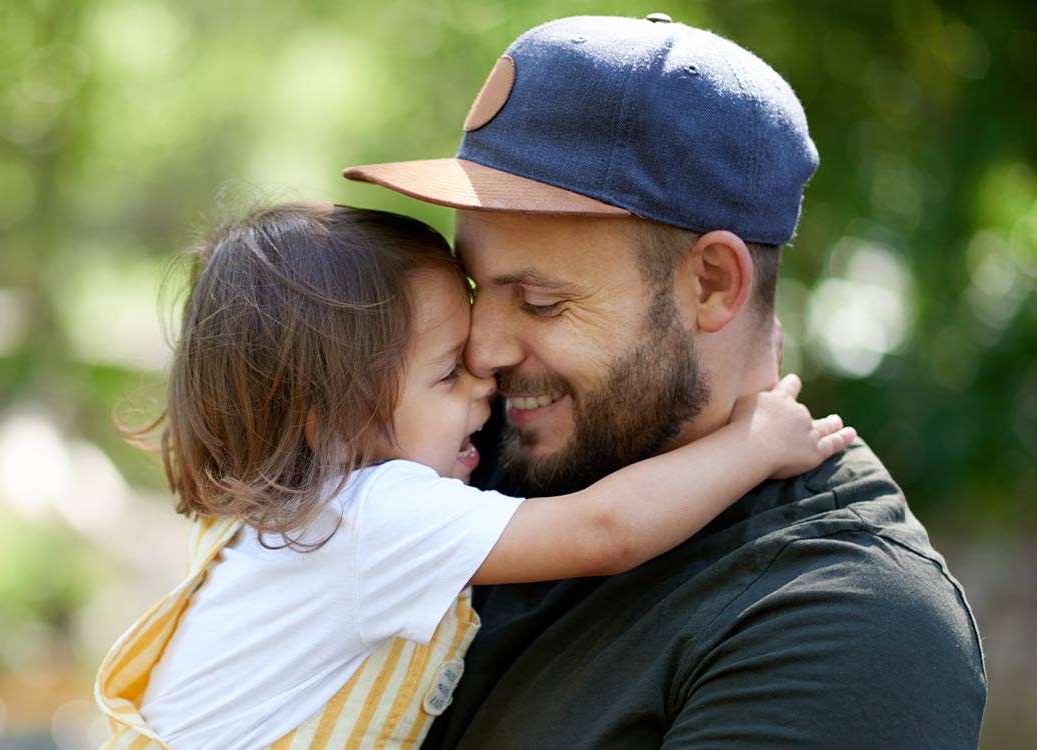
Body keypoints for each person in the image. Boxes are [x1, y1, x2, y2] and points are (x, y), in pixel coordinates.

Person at [341, 13, 987, 749]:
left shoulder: (850, 621)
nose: (481, 352)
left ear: (712, 283)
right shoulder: (456, 451)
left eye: (541, 302)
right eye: (475, 287)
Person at [93, 201, 855, 750]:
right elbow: (606, 527)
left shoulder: (282, 514)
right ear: (331, 416)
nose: (486, 380)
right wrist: (753, 444)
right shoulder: (376, 517)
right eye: (448, 372)